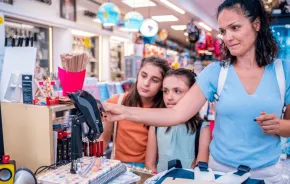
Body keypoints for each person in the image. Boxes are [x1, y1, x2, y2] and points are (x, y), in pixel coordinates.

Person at [103, 0, 290, 182]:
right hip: (220, 173)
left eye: (235, 28)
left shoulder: (284, 72)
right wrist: (124, 111)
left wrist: (279, 126)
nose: (227, 37)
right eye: (223, 31)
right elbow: (177, 113)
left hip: (266, 174)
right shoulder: (216, 72)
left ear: (256, 24)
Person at [101, 56, 171, 168]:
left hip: (151, 170)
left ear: (162, 86)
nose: (146, 83)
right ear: (138, 75)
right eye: (143, 76)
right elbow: (103, 141)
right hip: (119, 168)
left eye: (155, 80)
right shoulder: (117, 102)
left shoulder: (164, 111)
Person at [145, 68, 211, 173]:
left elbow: (201, 168)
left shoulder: (203, 128)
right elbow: (150, 164)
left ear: (192, 94)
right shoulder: (156, 124)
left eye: (177, 91)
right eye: (165, 91)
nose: (169, 97)